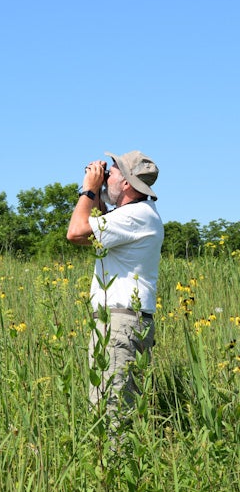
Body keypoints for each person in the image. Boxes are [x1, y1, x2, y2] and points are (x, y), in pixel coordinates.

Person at [67, 150, 163, 420]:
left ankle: (113, 462)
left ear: (126, 185)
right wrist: (97, 193)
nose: (106, 176)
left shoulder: (136, 215)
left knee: (111, 413)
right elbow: (94, 232)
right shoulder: (137, 214)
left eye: (113, 172)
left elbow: (75, 232)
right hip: (123, 321)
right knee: (115, 408)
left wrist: (88, 190)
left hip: (120, 323)